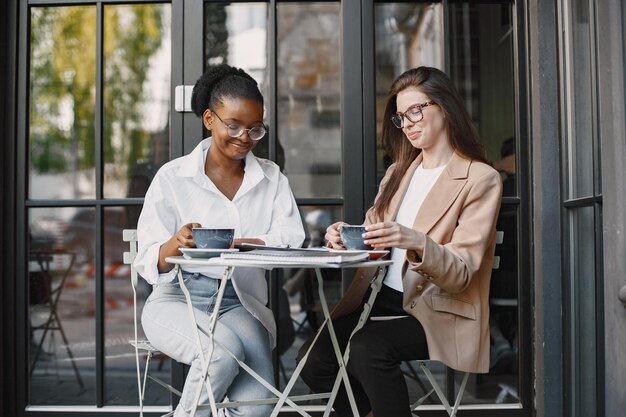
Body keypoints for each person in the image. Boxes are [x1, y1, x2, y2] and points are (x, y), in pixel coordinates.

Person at [297, 66, 503, 417]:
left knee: (366, 349)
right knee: (314, 358)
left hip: (441, 308)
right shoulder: (399, 172)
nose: (406, 123)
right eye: (399, 117)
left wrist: (416, 241)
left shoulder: (480, 179)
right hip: (381, 301)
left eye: (415, 111)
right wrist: (346, 235)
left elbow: (462, 272)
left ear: (444, 107)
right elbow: (372, 232)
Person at [133, 64, 305, 417]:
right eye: (234, 125)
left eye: (255, 128)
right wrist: (175, 243)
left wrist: (240, 243)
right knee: (220, 354)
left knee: (258, 407)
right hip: (176, 299)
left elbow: (291, 239)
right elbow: (149, 258)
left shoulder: (271, 178)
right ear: (210, 119)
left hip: (238, 302)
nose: (245, 136)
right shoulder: (173, 177)